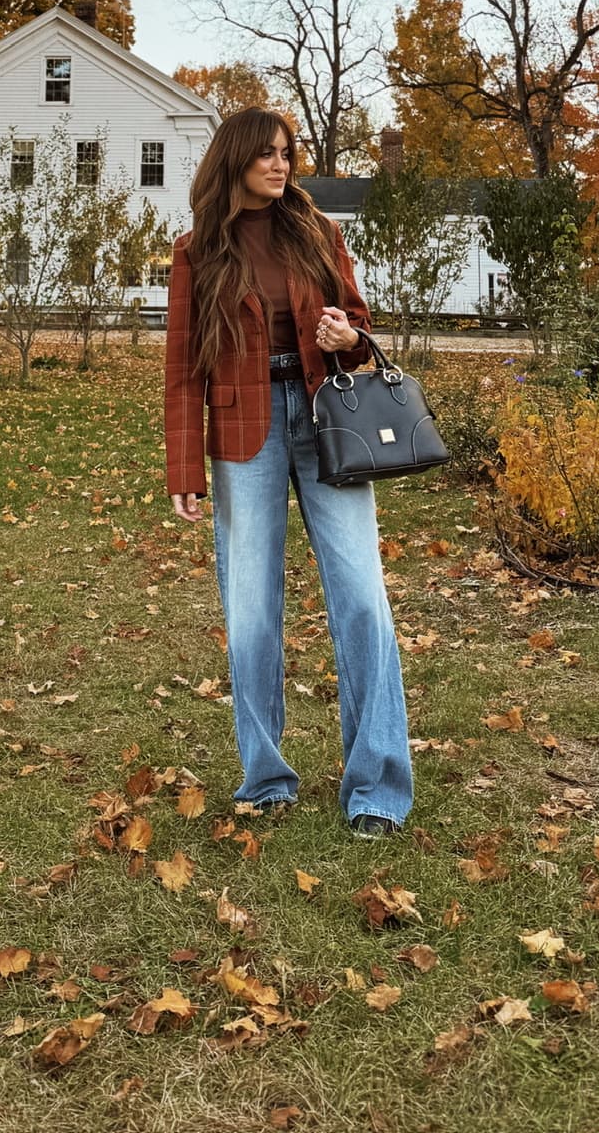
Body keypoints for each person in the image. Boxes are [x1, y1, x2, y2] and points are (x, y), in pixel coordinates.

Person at [164, 107, 413, 836]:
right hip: (245, 432)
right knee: (250, 615)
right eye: (267, 154)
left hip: (328, 418)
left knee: (363, 601)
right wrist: (184, 464)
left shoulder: (318, 232)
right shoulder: (196, 251)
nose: (281, 165)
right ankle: (266, 776)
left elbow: (359, 324)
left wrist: (348, 334)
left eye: (287, 153)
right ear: (234, 160)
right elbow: (183, 369)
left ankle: (377, 787)